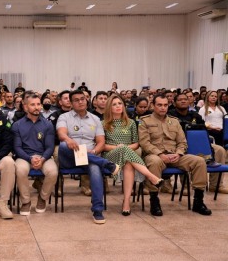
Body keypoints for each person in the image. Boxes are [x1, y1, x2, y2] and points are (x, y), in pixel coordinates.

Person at [138, 94, 212, 216]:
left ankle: (198, 201)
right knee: (154, 162)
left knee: (199, 161)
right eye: (159, 105)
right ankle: (154, 201)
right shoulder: (145, 121)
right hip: (155, 155)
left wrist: (179, 153)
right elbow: (144, 143)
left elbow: (182, 142)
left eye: (165, 105)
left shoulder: (175, 122)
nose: (163, 108)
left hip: (174, 156)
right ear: (153, 105)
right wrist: (160, 154)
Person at [57, 90, 119, 224]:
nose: (80, 102)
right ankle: (106, 164)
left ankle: (97, 210)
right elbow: (61, 134)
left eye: (82, 99)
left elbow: (101, 141)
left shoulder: (95, 119)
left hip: (90, 157)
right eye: (76, 100)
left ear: (87, 100)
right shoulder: (64, 117)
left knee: (95, 169)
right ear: (71, 103)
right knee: (62, 145)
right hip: (69, 158)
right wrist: (68, 140)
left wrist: (95, 151)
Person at [102, 95, 164, 215]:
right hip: (110, 155)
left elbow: (136, 143)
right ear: (109, 107)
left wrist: (125, 148)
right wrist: (118, 148)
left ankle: (126, 201)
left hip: (128, 155)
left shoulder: (130, 123)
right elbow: (102, 145)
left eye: (120, 103)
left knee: (129, 164)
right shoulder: (103, 123)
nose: (118, 106)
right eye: (114, 104)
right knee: (125, 152)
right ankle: (151, 176)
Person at [169, 93, 228, 194]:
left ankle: (216, 185)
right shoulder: (170, 115)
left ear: (189, 102)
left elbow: (203, 130)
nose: (183, 101)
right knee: (183, 152)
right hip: (179, 145)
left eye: (185, 99)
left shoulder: (195, 115)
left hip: (197, 143)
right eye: (180, 100)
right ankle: (186, 186)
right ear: (174, 103)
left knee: (220, 150)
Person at [12, 94, 57, 215]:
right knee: (20, 170)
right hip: (24, 157)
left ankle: (42, 198)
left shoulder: (47, 125)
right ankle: (26, 201)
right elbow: (17, 147)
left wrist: (42, 159)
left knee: (53, 171)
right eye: (33, 104)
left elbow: (50, 147)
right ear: (25, 107)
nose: (37, 107)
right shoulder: (17, 125)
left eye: (38, 104)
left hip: (44, 157)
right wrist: (30, 158)